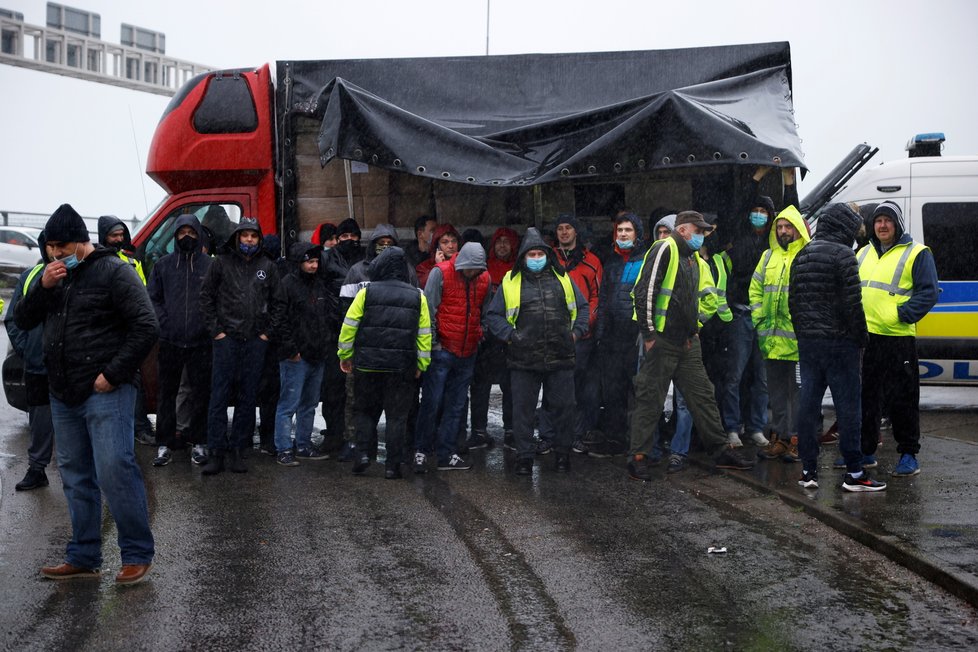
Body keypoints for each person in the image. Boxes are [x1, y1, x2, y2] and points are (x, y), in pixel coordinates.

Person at [15, 203, 159, 584]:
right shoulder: (49, 277)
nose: (55, 253)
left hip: (105, 389)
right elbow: (23, 319)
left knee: (114, 469)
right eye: (50, 246)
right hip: (63, 392)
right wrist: (44, 288)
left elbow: (146, 326)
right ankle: (83, 555)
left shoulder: (114, 271)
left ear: (82, 241)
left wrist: (112, 374)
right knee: (75, 475)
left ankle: (136, 553)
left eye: (62, 246)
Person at [627, 211, 755, 481]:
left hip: (685, 341)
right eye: (698, 230)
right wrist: (649, 334)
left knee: (703, 395)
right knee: (650, 398)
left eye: (704, 231)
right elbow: (645, 291)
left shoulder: (693, 258)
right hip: (661, 339)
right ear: (683, 230)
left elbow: (693, 300)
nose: (702, 235)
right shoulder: (665, 248)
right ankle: (638, 457)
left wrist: (694, 329)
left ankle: (720, 449)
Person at [788, 203, 885, 491]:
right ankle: (855, 473)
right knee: (848, 409)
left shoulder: (802, 254)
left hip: (808, 344)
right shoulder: (843, 255)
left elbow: (793, 302)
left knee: (808, 406)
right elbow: (852, 305)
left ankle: (808, 471)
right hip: (840, 344)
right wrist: (860, 338)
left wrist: (804, 333)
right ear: (844, 227)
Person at [484, 228, 589, 475]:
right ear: (523, 257)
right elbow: (494, 315)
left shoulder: (563, 279)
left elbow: (583, 308)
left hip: (560, 356)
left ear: (547, 255)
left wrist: (575, 334)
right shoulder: (511, 281)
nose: (535, 258)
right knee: (523, 411)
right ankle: (524, 457)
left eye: (539, 253)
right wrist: (511, 336)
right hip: (523, 359)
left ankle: (562, 454)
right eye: (531, 254)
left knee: (564, 408)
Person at [857, 201, 939, 477]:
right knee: (867, 398)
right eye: (878, 221)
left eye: (887, 221)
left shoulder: (917, 253)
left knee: (902, 399)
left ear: (898, 224)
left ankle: (908, 454)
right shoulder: (863, 253)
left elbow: (929, 293)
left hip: (898, 338)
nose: (881, 225)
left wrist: (901, 314)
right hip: (868, 339)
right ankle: (866, 452)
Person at [718, 168, 798, 448]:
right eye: (756, 210)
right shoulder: (739, 233)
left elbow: (793, 212)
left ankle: (755, 427)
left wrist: (789, 180)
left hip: (765, 318)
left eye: (765, 211)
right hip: (740, 312)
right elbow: (741, 202)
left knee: (762, 378)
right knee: (735, 375)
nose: (759, 214)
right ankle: (731, 427)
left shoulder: (774, 241)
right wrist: (759, 174)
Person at [338, 246, 432, 479]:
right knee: (397, 417)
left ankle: (362, 455)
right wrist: (422, 365)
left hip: (368, 365)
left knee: (365, 411)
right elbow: (424, 334)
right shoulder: (417, 296)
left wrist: (345, 355)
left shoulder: (366, 293)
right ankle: (392, 466)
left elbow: (349, 326)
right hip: (401, 368)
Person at [199, 217, 279, 475]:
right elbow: (206, 298)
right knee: (218, 396)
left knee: (248, 398)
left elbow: (279, 303)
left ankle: (238, 451)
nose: (248, 240)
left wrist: (267, 334)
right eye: (244, 235)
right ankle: (216, 452)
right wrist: (216, 332)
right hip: (226, 340)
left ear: (259, 239)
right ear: (236, 237)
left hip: (255, 341)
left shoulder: (268, 265)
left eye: (253, 236)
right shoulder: (220, 263)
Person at [414, 241, 490, 473]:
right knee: (432, 401)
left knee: (456, 405)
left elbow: (484, 311)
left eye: (477, 270)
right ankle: (421, 450)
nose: (472, 273)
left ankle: (447, 453)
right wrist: (434, 342)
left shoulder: (484, 279)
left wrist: (480, 332)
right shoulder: (441, 273)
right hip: (442, 350)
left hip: (467, 351)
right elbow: (427, 310)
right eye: (469, 269)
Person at [146, 214, 213, 467]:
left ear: (198, 235)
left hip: (201, 342)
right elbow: (153, 299)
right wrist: (165, 323)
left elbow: (217, 300)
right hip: (170, 341)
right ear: (175, 236)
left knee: (200, 394)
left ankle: (199, 442)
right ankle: (163, 444)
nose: (187, 237)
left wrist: (206, 326)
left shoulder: (209, 265)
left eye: (192, 232)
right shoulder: (163, 265)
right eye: (182, 232)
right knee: (166, 394)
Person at [537, 214, 603, 454]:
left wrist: (586, 323)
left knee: (577, 388)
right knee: (550, 385)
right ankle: (547, 435)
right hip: (551, 334)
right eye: (560, 228)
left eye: (568, 228)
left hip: (581, 336)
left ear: (576, 231)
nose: (564, 232)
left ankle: (575, 435)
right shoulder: (547, 259)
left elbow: (597, 296)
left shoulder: (591, 261)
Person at [750, 205, 810, 463]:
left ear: (797, 229)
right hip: (771, 340)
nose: (784, 231)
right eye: (780, 227)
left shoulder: (807, 256)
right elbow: (755, 289)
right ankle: (781, 439)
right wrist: (759, 319)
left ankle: (798, 440)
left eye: (788, 227)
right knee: (775, 392)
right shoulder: (767, 257)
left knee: (798, 393)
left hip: (797, 342)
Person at [591, 212, 649, 457]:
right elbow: (604, 301)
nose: (623, 234)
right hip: (612, 337)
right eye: (620, 231)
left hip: (635, 335)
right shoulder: (612, 262)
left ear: (637, 234)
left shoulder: (646, 260)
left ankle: (640, 442)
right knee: (612, 391)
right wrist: (601, 333)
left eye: (628, 230)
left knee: (638, 391)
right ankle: (615, 439)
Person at [270, 242, 333, 466]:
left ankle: (304, 445)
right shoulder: (286, 285)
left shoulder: (319, 284)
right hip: (295, 356)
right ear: (299, 262)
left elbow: (324, 317)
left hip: (317, 353)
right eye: (309, 261)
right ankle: (284, 449)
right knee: (288, 404)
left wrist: (324, 345)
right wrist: (290, 350)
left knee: (309, 404)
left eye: (316, 261)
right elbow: (279, 320)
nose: (314, 265)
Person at [4, 234, 54, 490]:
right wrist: (26, 349)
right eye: (50, 244)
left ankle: (85, 475)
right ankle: (37, 469)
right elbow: (12, 318)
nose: (55, 249)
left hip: (73, 368)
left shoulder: (80, 273)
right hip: (37, 365)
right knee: (40, 421)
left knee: (79, 425)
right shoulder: (30, 276)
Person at [317, 217, 364, 457]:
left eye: (352, 236)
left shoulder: (367, 261)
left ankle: (356, 438)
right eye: (343, 236)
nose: (348, 240)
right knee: (333, 390)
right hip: (335, 333)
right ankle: (334, 435)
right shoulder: (327, 259)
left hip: (362, 334)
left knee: (358, 392)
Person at [468, 227, 519, 449]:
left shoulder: (519, 270)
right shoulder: (483, 270)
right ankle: (479, 431)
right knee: (480, 386)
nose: (502, 246)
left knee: (511, 387)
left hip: (511, 338)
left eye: (507, 242)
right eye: (499, 242)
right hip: (487, 338)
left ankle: (511, 430)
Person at [416, 223, 460, 288]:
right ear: (437, 245)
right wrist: (438, 268)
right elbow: (424, 286)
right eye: (445, 242)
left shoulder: (463, 264)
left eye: (454, 241)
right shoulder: (423, 267)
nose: (451, 246)